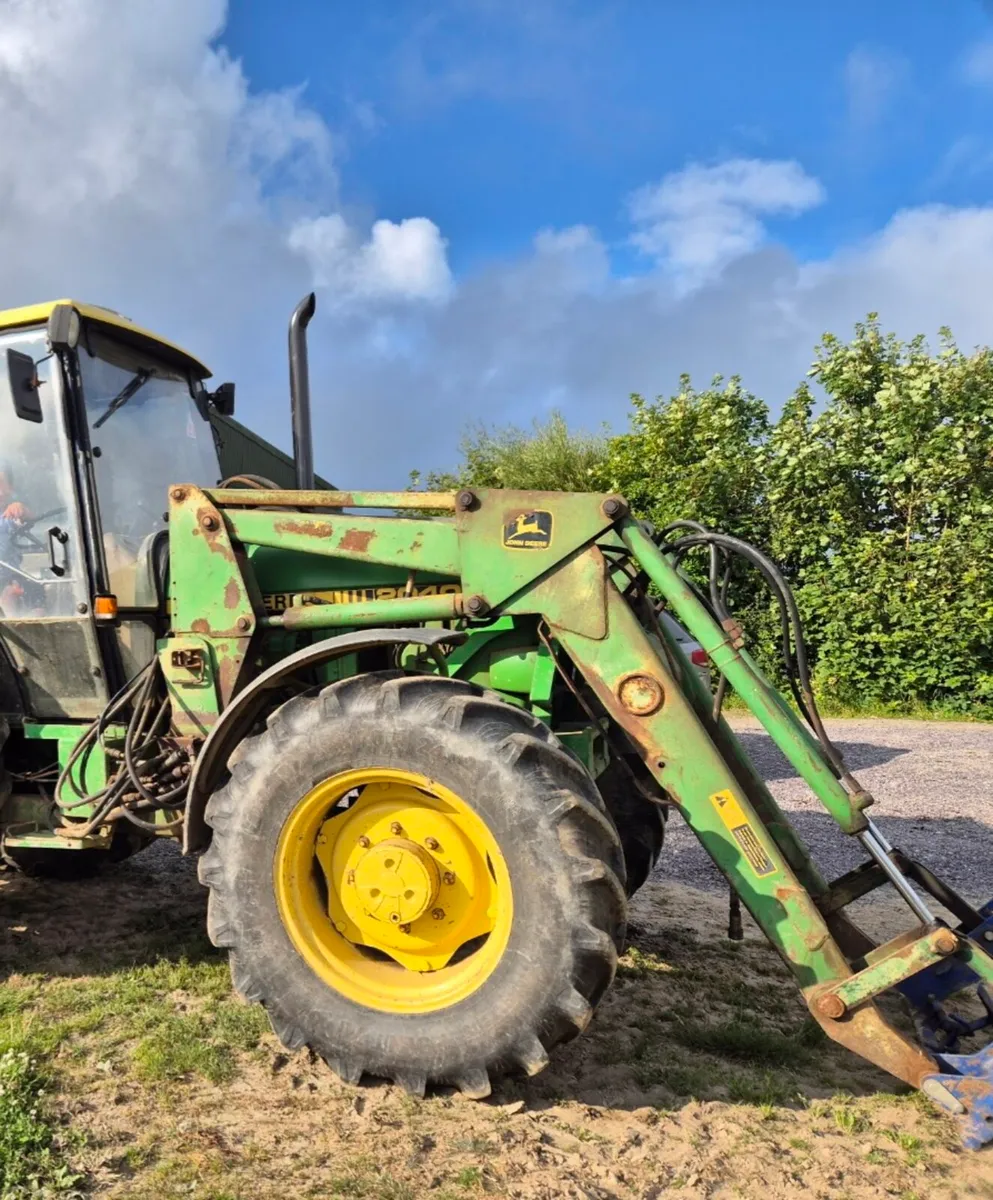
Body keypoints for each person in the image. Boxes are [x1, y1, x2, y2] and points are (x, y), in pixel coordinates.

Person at [0, 464, 30, 613]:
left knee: (29, 593)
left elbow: (28, 519)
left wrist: (21, 509)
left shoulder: (8, 517)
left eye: (1, 484)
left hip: (9, 577)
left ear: (10, 488)